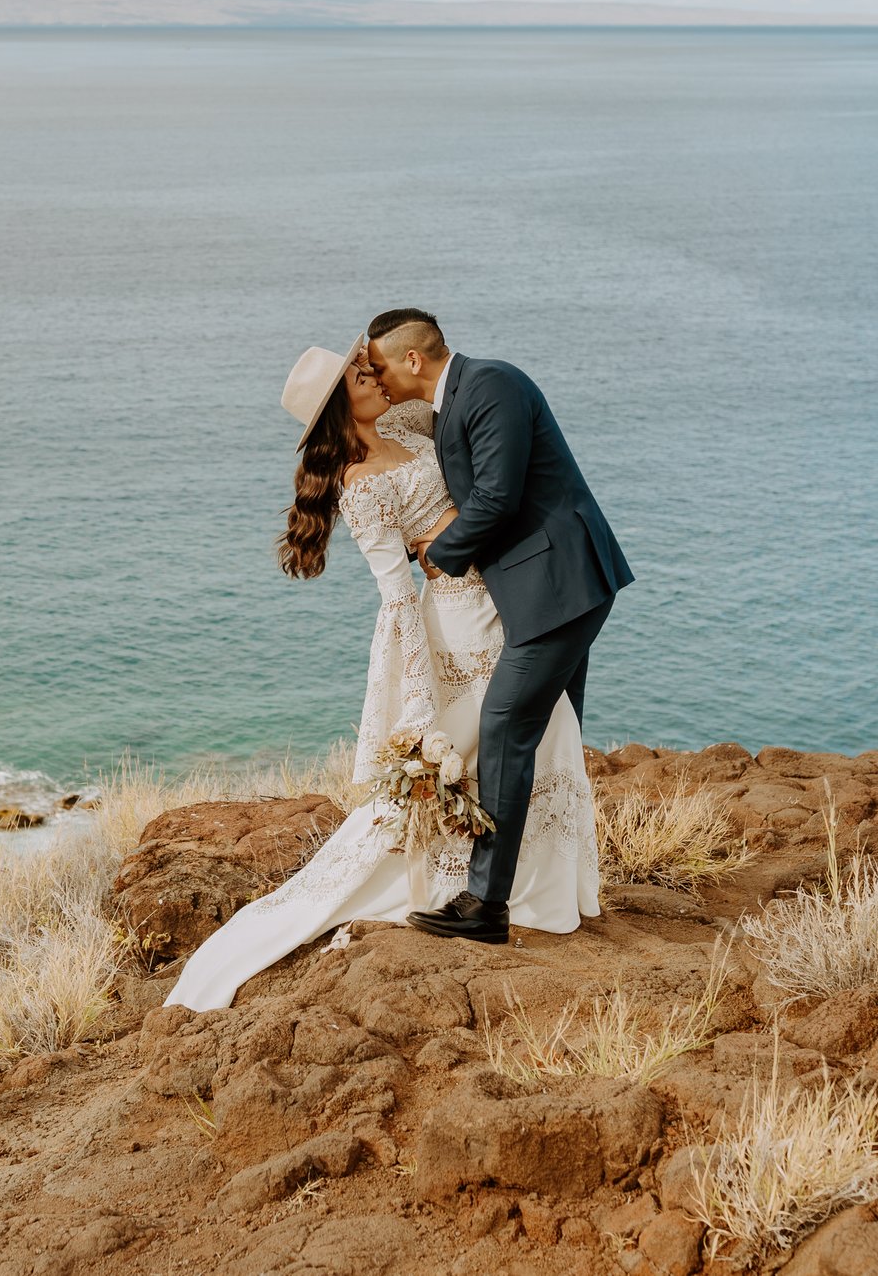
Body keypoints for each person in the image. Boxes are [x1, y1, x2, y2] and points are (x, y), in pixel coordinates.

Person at [161, 340, 598, 1011]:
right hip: (454, 625)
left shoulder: (402, 425)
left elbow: (447, 414)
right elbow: (398, 599)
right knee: (488, 746)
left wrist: (391, 354)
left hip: (501, 597)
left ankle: (547, 890)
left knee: (546, 735)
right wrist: (416, 705)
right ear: (343, 405)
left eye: (367, 368)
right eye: (362, 377)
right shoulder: (359, 486)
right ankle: (472, 890)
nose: (374, 378)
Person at [361, 308, 632, 943]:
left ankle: (486, 905)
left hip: (562, 583)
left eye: (379, 366)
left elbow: (497, 496)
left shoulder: (490, 385)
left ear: (412, 361)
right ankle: (553, 883)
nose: (375, 376)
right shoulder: (447, 401)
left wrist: (437, 552)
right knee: (547, 735)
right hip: (543, 589)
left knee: (506, 724)